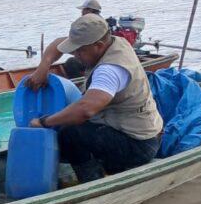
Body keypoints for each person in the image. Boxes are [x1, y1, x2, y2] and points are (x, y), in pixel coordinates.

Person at [25, 14, 163, 183]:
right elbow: (57, 45)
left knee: (70, 134)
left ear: (98, 45)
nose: (75, 54)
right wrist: (43, 67)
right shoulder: (112, 42)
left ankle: (91, 182)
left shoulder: (110, 70)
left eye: (79, 50)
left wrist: (45, 122)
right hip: (123, 127)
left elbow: (85, 110)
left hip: (138, 144)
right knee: (65, 128)